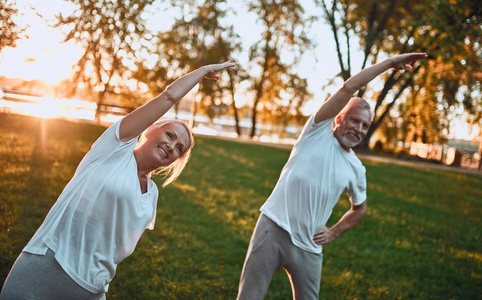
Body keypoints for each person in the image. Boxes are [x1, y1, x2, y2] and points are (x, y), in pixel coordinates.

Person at [0, 61, 236, 299]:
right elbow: (168, 96)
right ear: (151, 129)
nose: (171, 146)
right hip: (46, 267)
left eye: (179, 148)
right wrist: (204, 71)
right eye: (169, 135)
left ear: (175, 160)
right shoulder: (115, 148)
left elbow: (121, 243)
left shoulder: (151, 195)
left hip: (92, 288)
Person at [236, 53, 428, 300]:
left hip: (309, 246)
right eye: (354, 120)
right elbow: (349, 87)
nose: (358, 129)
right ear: (338, 119)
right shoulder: (317, 131)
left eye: (365, 126)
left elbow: (359, 209)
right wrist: (390, 64)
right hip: (272, 228)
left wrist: (335, 232)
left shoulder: (356, 169)